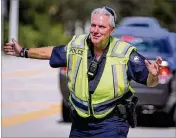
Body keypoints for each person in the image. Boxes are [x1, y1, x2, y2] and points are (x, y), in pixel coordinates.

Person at [4, 6, 162, 138]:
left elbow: (150, 82)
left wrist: (154, 75)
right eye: (93, 25)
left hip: (111, 123)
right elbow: (53, 52)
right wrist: (23, 51)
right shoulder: (78, 45)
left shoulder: (124, 52)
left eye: (101, 27)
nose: (96, 30)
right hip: (80, 124)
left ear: (111, 30)